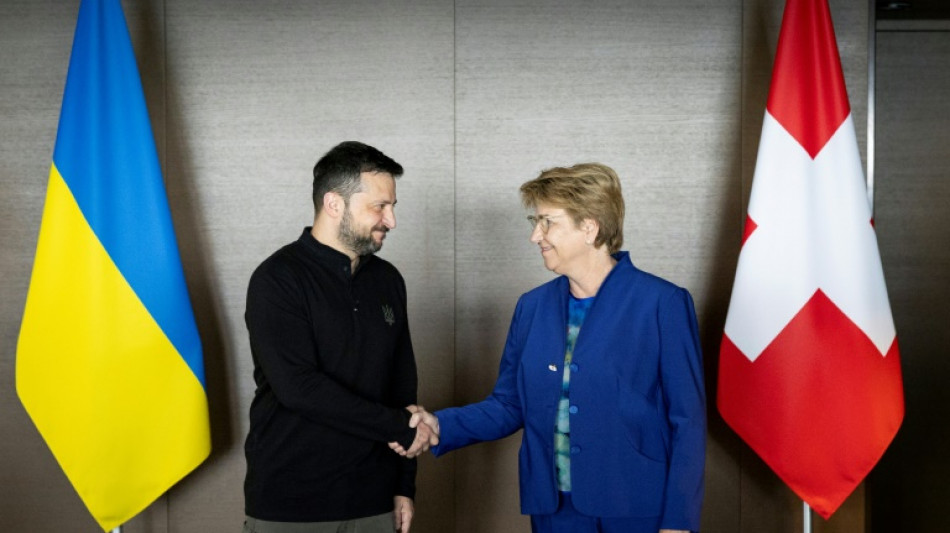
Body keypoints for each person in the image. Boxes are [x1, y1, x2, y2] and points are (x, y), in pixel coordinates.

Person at [394, 163, 706, 533]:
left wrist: (679, 521)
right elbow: (509, 404)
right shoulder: (532, 306)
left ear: (589, 227)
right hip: (554, 509)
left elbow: (687, 421)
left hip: (637, 507)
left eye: (547, 222)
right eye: (535, 222)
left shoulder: (662, 303)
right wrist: (439, 424)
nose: (535, 236)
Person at [244, 141, 435, 533]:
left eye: (392, 206)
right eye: (379, 206)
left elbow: (402, 389)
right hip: (291, 506)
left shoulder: (388, 280)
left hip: (374, 500)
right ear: (334, 204)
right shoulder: (277, 280)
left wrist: (404, 485)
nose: (391, 220)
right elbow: (299, 388)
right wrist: (401, 426)